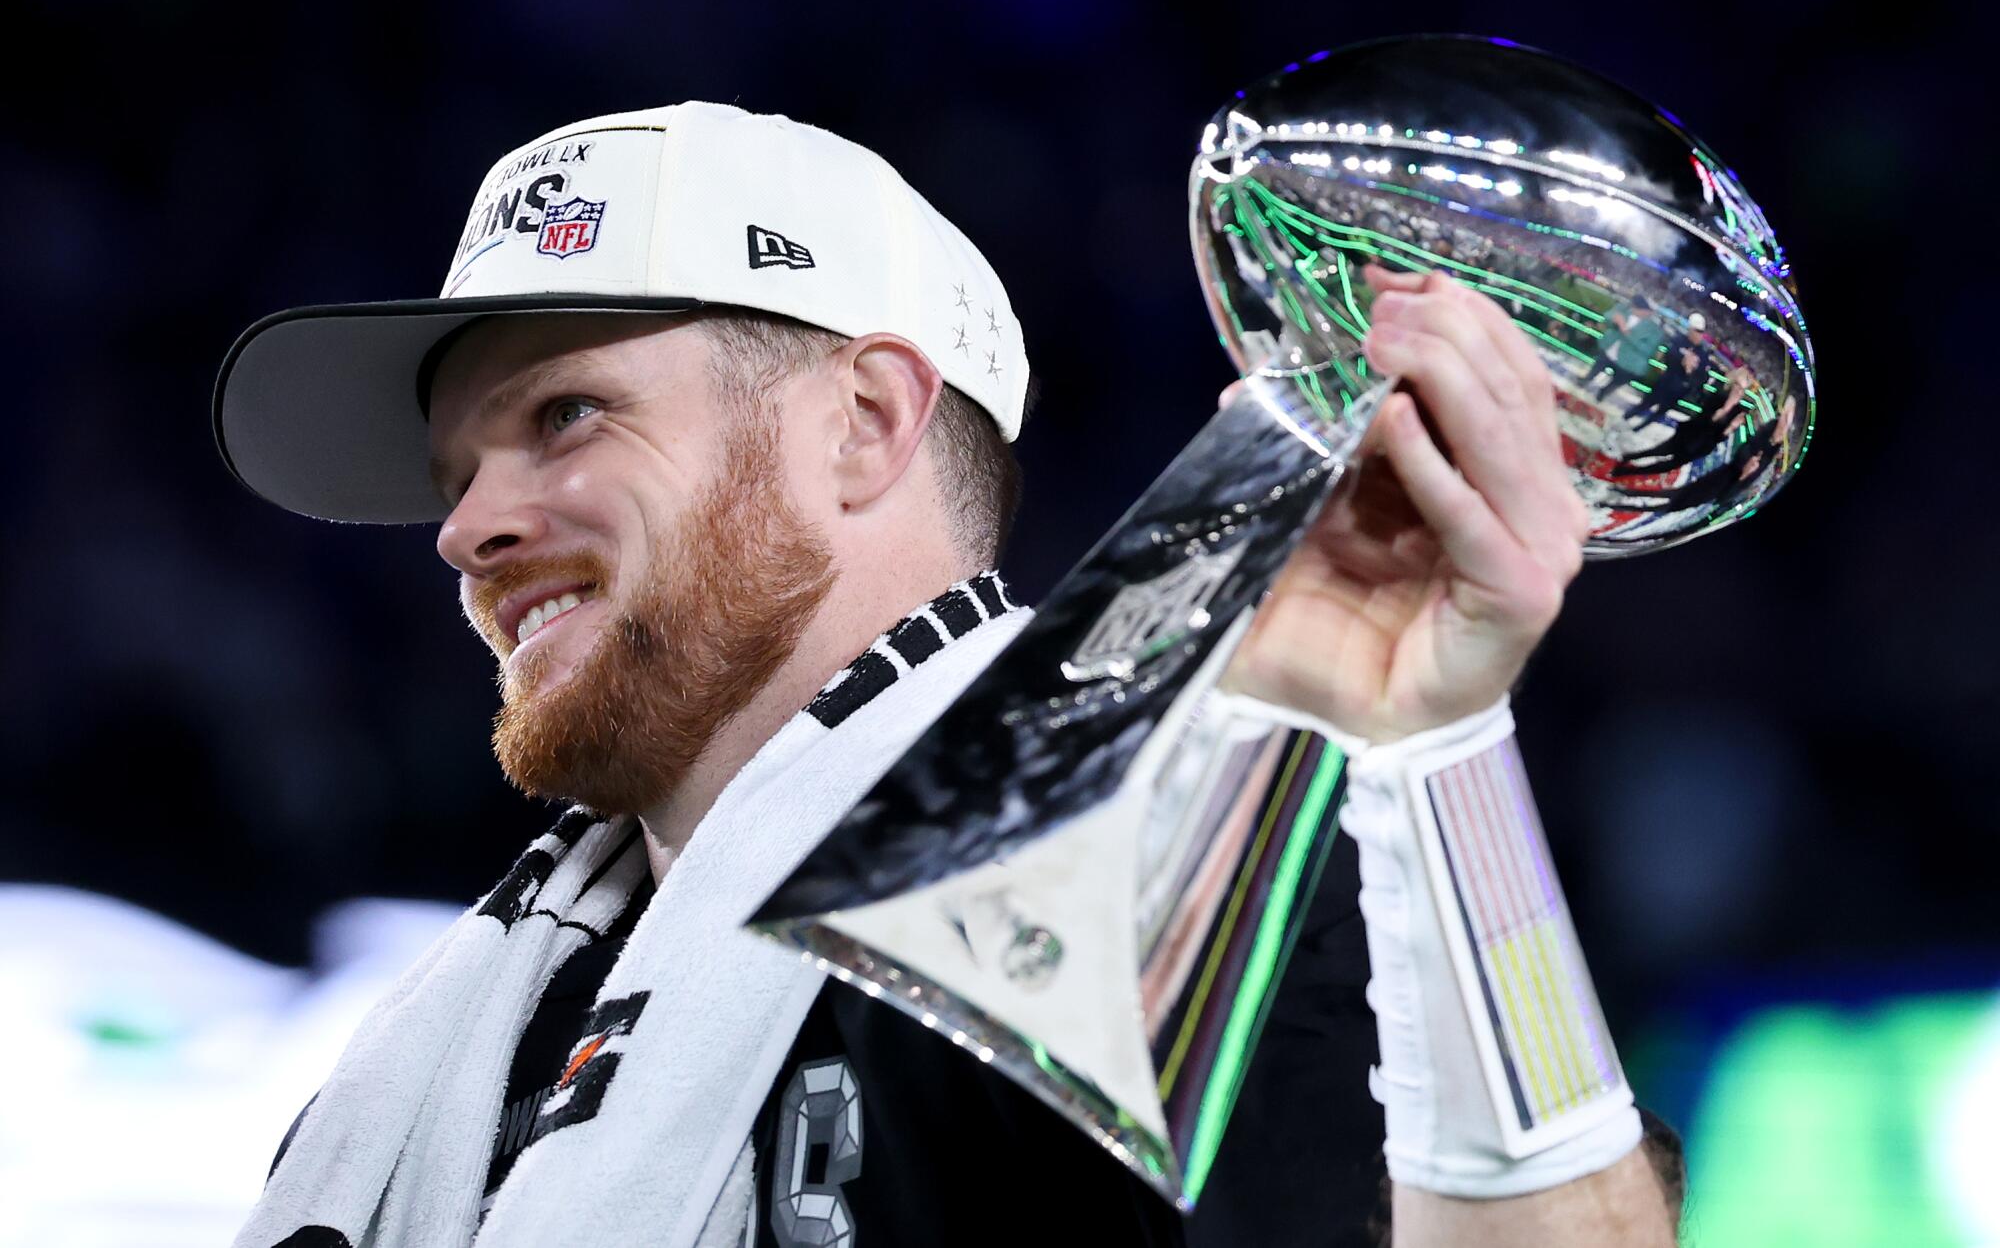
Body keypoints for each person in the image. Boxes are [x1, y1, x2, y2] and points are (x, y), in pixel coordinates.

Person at [214, 103, 1679, 1247]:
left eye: (567, 413)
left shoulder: (1146, 855)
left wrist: (1445, 765)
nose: (467, 526)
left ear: (863, 422)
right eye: (456, 471)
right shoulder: (466, 1033)